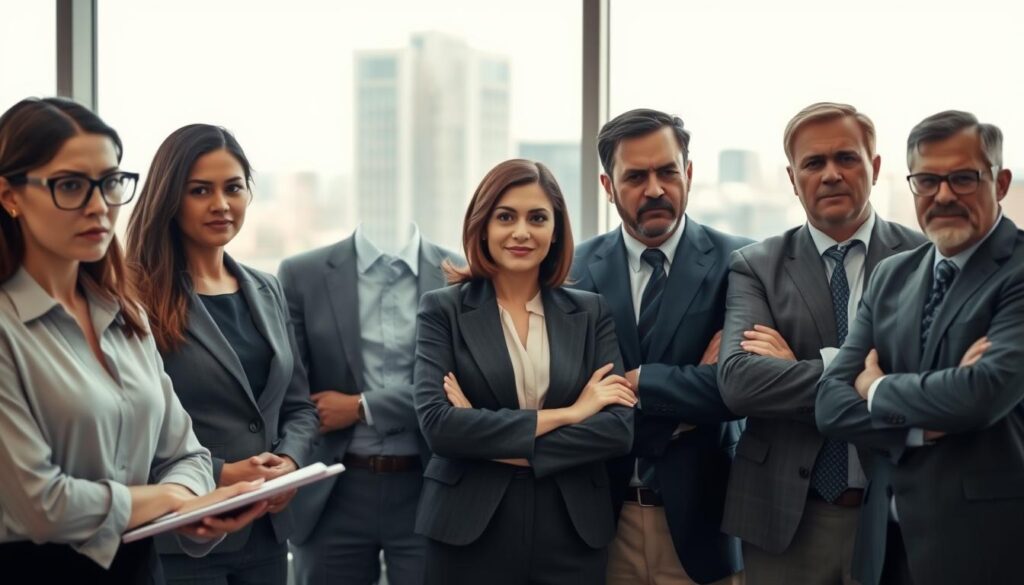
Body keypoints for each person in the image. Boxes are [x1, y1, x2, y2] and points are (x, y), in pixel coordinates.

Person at [0, 98, 264, 584]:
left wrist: (192, 510)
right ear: (9, 195)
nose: (99, 206)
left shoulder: (126, 314)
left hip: (141, 572)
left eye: (110, 183)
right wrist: (167, 499)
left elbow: (186, 454)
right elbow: (41, 505)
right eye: (71, 186)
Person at [716, 102, 926, 585]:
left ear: (873, 167)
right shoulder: (755, 265)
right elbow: (740, 384)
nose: (831, 174)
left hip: (897, 513)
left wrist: (795, 367)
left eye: (846, 159)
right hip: (784, 519)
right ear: (793, 179)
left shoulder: (923, 257)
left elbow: (934, 382)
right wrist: (865, 375)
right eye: (814, 163)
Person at [816, 110, 1023, 585]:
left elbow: (982, 394)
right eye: (927, 180)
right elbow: (829, 403)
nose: (944, 195)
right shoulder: (893, 274)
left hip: (987, 550)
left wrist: (876, 387)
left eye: (963, 179)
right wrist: (919, 427)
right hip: (888, 548)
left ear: (1002, 181)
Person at [414, 159, 635, 584]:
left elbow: (617, 430)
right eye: (505, 217)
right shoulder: (442, 310)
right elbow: (440, 428)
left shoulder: (591, 312)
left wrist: (484, 438)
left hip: (572, 532)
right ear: (482, 226)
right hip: (467, 531)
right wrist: (572, 413)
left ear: (555, 231)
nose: (521, 232)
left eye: (537, 218)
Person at [125, 124, 319, 585]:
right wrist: (223, 473)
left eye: (233, 188)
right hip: (183, 534)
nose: (221, 204)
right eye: (200, 191)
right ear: (170, 198)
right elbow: (129, 425)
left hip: (268, 533)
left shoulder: (267, 289)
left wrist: (289, 465)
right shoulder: (135, 296)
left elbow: (297, 406)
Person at [572, 108, 750, 585]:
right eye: (635, 176)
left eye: (667, 171)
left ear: (688, 174)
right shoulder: (569, 271)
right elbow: (567, 398)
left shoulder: (742, 264)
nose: (654, 189)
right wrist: (687, 400)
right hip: (599, 529)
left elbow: (738, 390)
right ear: (608, 187)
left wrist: (635, 383)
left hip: (706, 528)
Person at [280, 219, 454, 585]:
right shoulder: (301, 274)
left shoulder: (458, 273)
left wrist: (361, 406)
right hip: (331, 492)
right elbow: (292, 390)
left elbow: (455, 390)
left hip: (428, 488)